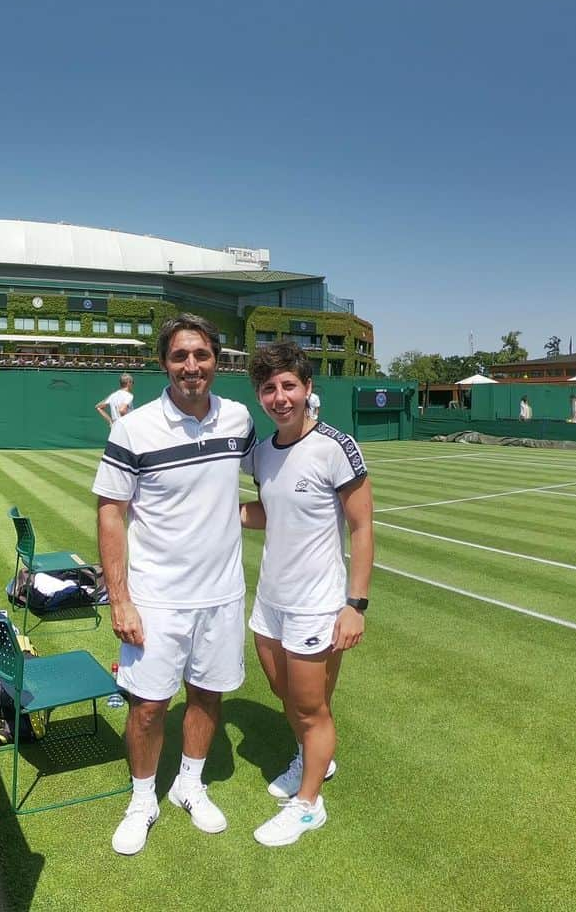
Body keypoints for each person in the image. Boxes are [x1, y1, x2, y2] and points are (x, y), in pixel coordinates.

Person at [92, 314, 255, 856]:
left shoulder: (237, 418)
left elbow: (279, 464)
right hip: (156, 598)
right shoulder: (132, 427)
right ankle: (143, 799)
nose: (192, 366)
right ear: (163, 362)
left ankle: (190, 782)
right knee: (147, 707)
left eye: (202, 355)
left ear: (216, 361)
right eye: (181, 356)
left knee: (208, 694)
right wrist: (121, 600)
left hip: (222, 594)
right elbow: (111, 513)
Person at [240, 343, 373, 846]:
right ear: (260, 395)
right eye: (269, 389)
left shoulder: (336, 447)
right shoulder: (262, 453)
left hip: (318, 604)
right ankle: (313, 757)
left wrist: (354, 605)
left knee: (312, 708)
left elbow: (361, 528)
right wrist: (221, 516)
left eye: (288, 386)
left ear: (307, 388)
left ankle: (308, 805)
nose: (279, 397)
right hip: (270, 600)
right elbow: (271, 511)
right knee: (284, 694)